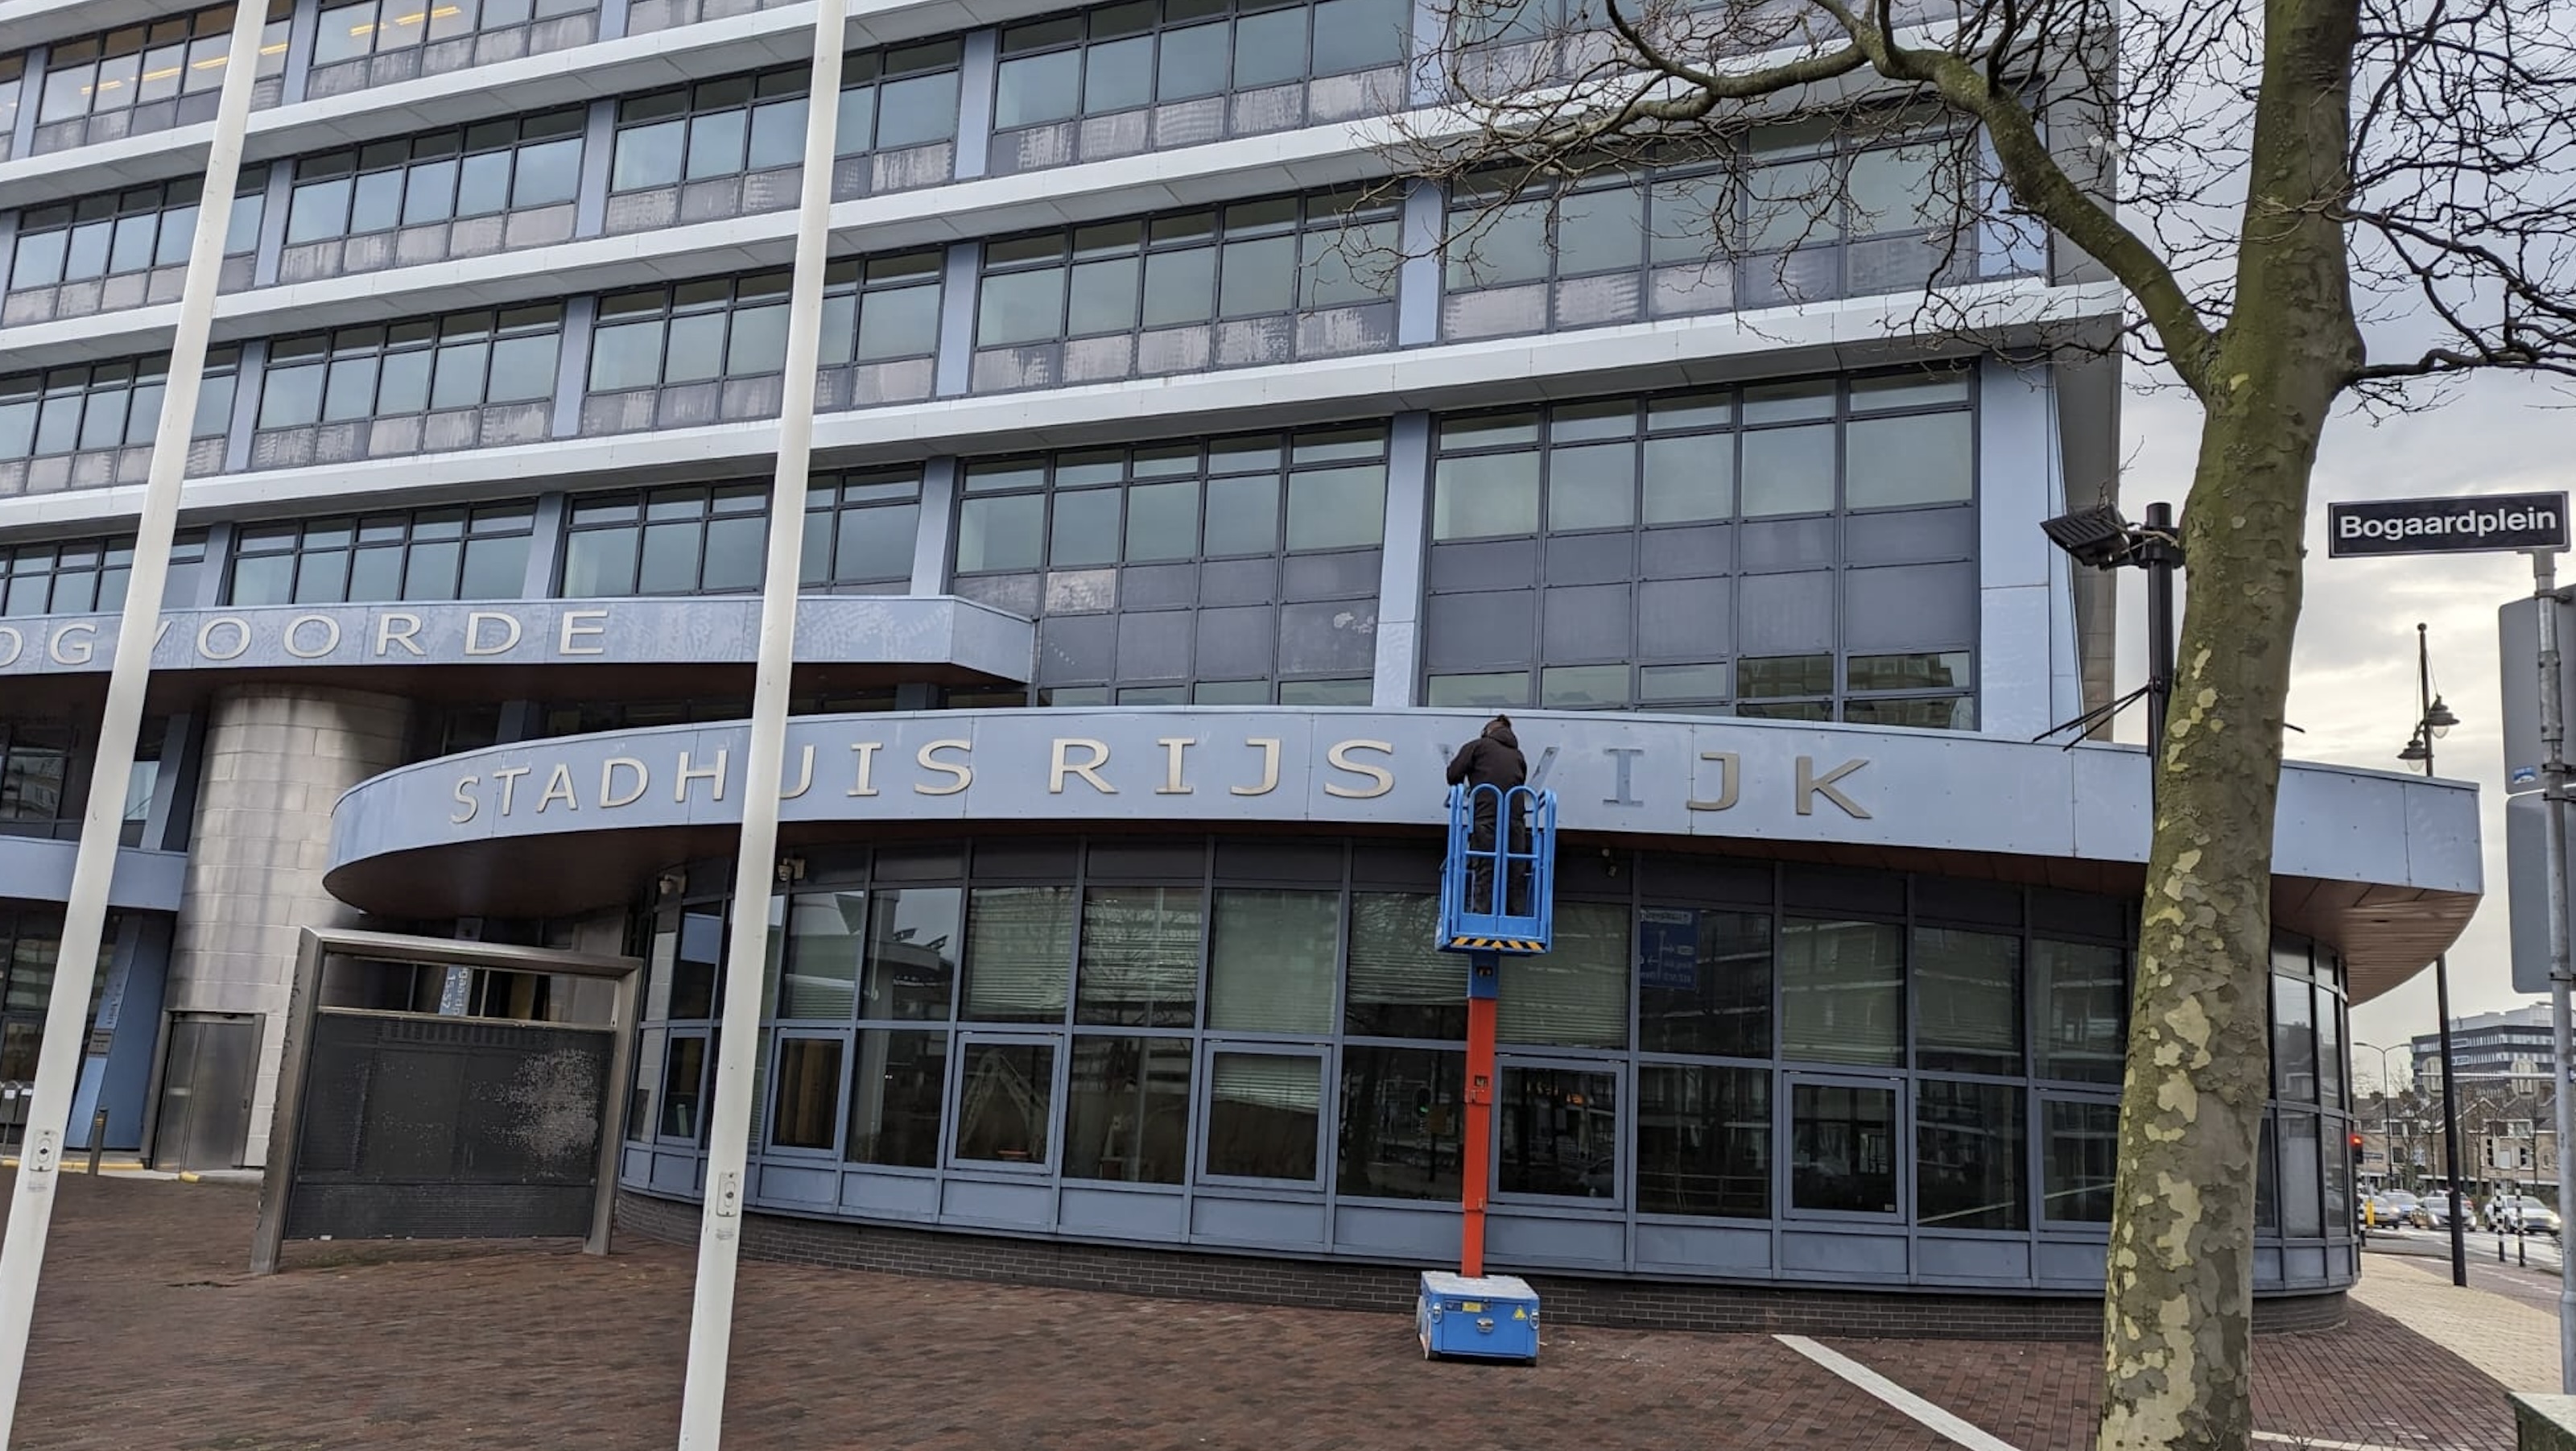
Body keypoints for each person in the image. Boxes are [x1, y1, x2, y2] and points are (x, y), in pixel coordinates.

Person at [1446, 716, 1528, 913]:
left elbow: (1453, 775)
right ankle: (1515, 917)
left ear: (1487, 731)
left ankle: (1482, 914)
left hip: (1486, 813)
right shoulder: (1518, 755)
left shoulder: (1477, 746)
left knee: (1485, 866)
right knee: (1514, 870)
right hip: (1515, 819)